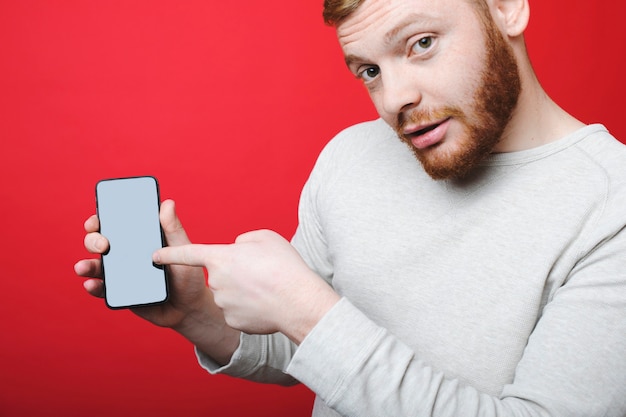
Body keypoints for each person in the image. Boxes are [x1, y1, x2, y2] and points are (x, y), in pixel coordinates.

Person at [75, 0, 626, 415]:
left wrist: (309, 311)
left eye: (421, 43)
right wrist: (196, 311)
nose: (393, 100)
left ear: (506, 7)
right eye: (368, 70)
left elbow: (317, 327)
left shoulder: (611, 209)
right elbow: (307, 353)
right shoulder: (351, 156)